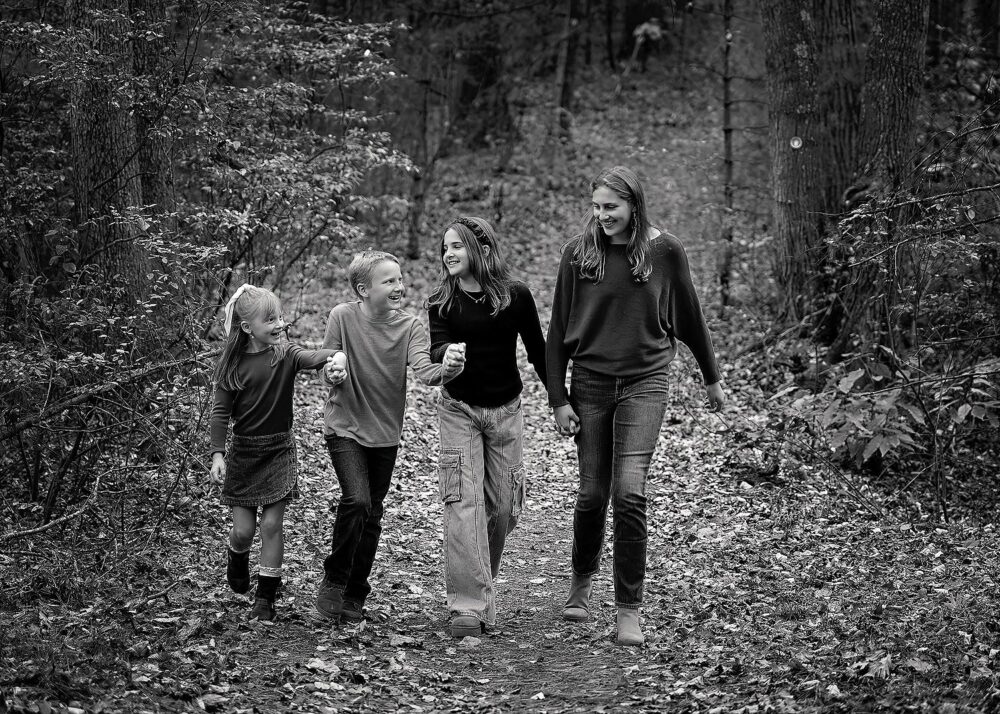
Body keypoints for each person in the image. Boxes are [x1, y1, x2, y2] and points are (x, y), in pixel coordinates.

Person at [546, 166, 726, 646]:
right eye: (598, 206)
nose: (603, 216)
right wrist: (557, 398)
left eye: (612, 207)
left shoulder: (664, 251)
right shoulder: (578, 255)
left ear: (633, 205)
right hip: (590, 384)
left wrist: (711, 378)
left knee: (629, 493)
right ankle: (581, 584)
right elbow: (558, 331)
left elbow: (689, 314)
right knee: (591, 494)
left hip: (646, 382)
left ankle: (629, 609)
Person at [315, 250, 466, 623]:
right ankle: (333, 581)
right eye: (389, 281)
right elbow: (328, 363)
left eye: (400, 279)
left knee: (373, 513)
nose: (399, 286)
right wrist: (332, 374)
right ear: (364, 289)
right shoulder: (342, 317)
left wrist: (448, 368)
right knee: (357, 500)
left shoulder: (410, 326)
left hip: (384, 433)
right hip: (344, 425)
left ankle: (355, 593)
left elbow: (425, 372)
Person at [426, 216, 547, 638]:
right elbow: (438, 344)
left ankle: (479, 580)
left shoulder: (515, 297)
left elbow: (538, 352)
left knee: (502, 510)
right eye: (445, 247)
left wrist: (560, 401)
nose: (449, 254)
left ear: (482, 248)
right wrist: (448, 358)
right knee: (463, 503)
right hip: (458, 409)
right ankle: (468, 605)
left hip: (506, 411)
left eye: (457, 245)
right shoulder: (441, 301)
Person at [209, 284, 345, 621]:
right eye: (270, 319)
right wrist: (217, 455)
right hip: (244, 452)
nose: (279, 323)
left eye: (280, 317)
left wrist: (335, 355)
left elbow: (314, 357)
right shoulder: (232, 367)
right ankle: (237, 556)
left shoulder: (285, 355)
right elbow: (220, 414)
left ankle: (266, 598)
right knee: (243, 530)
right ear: (246, 328)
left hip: (278, 451)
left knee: (271, 524)